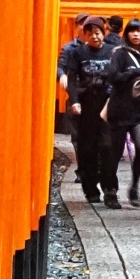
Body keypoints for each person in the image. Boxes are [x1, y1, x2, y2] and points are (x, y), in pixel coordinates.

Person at [63, 16, 120, 206]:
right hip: (86, 106)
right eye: (90, 34)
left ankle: (110, 190)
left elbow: (117, 77)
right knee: (87, 149)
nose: (94, 37)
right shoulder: (79, 53)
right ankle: (90, 189)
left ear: (103, 33)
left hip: (107, 106)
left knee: (107, 148)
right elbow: (72, 79)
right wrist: (74, 101)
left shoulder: (112, 52)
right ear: (85, 35)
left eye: (97, 33)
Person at [105, 18, 140, 207]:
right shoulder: (120, 53)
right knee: (115, 152)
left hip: (139, 109)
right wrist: (134, 73)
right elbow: (113, 77)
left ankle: (134, 185)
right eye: (133, 31)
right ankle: (110, 191)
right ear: (127, 34)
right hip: (119, 109)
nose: (136, 34)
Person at [57, 12, 91, 184]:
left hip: (98, 97)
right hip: (77, 94)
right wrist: (62, 75)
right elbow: (60, 66)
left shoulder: (102, 48)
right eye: (83, 24)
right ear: (77, 27)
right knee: (78, 136)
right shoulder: (70, 48)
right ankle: (83, 170)